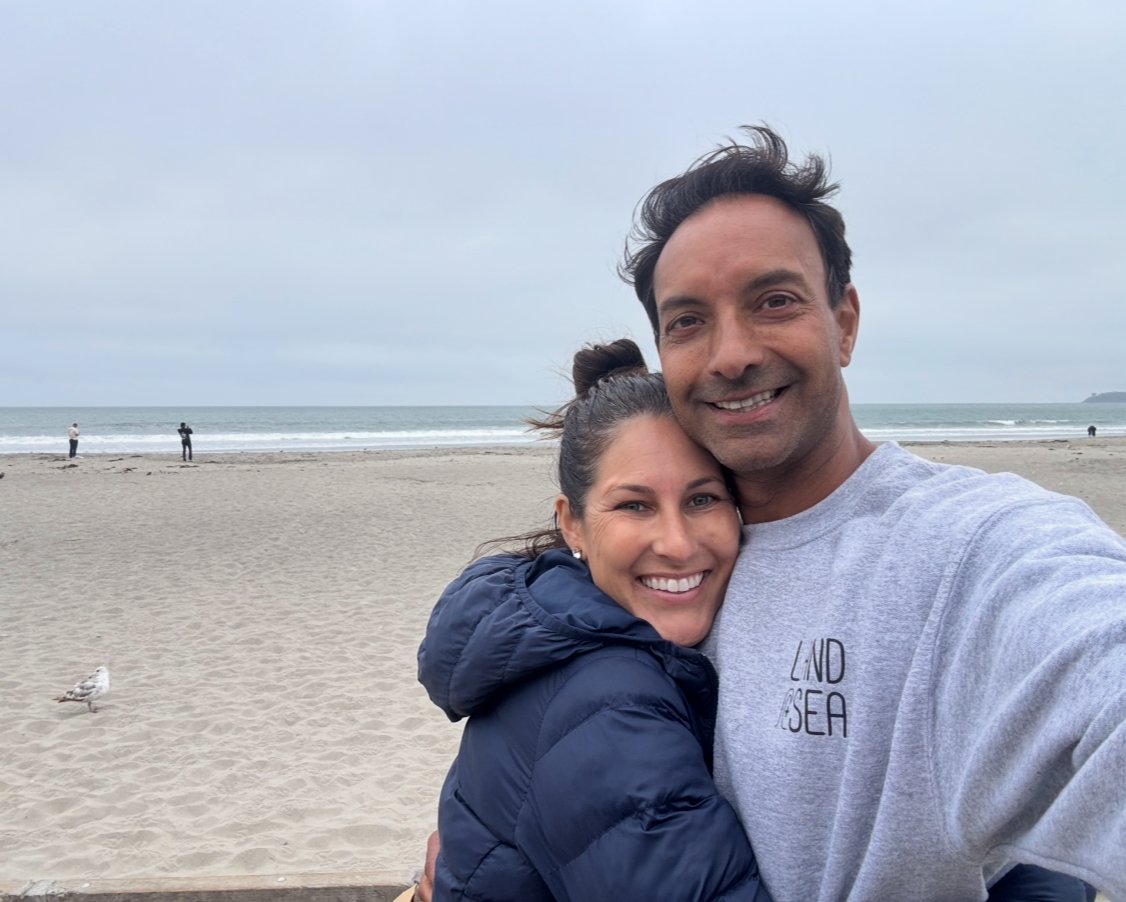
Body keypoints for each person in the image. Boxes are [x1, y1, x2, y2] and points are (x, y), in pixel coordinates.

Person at [614, 125, 1123, 899]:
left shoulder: (967, 550)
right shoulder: (662, 555)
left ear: (845, 322)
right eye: (688, 321)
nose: (730, 355)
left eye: (774, 301)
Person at [417, 340, 771, 900]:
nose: (677, 544)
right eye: (634, 505)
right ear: (572, 523)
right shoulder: (612, 701)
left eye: (702, 499)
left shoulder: (557, 631)